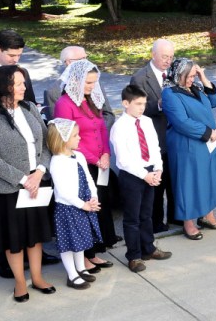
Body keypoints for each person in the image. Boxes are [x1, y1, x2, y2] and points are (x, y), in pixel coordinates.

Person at [0, 65, 55, 302]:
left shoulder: (30, 108)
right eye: (19, 83)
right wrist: (24, 179)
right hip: (9, 189)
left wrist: (39, 172)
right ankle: (20, 283)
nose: (24, 87)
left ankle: (37, 277)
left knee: (35, 235)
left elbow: (46, 146)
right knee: (14, 239)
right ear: (5, 86)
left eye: (23, 82)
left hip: (36, 182)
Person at [53, 59, 117, 271]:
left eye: (94, 82)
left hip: (100, 162)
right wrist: (94, 158)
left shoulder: (90, 100)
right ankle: (85, 256)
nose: (92, 87)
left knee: (98, 207)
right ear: (76, 81)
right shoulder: (64, 104)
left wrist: (106, 153)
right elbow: (67, 138)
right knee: (83, 211)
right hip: (81, 163)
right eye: (88, 83)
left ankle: (94, 251)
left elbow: (101, 129)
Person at [162, 58, 216, 240]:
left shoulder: (196, 88)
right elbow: (181, 122)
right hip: (187, 146)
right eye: (190, 76)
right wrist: (207, 132)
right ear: (180, 75)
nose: (192, 79)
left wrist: (203, 76)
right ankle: (188, 222)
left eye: (194, 75)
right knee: (189, 183)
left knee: (208, 179)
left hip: (207, 143)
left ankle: (207, 215)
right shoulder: (170, 93)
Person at [111, 85, 172, 271]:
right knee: (132, 217)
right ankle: (134, 255)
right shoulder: (119, 127)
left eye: (144, 104)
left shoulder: (146, 121)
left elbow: (154, 146)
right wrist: (145, 175)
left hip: (150, 171)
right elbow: (123, 159)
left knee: (147, 214)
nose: (142, 107)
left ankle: (148, 247)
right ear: (125, 103)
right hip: (132, 175)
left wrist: (158, 169)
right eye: (138, 104)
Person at [130, 39, 180, 233]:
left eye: (171, 57)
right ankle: (157, 223)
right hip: (155, 138)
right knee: (158, 184)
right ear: (153, 55)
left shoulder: (174, 73)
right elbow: (137, 109)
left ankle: (177, 217)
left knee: (175, 180)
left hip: (175, 135)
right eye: (164, 57)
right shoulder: (140, 78)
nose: (168, 61)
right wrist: (160, 104)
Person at [47, 118, 101, 289]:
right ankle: (71, 275)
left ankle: (80, 268)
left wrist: (93, 197)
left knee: (81, 239)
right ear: (62, 139)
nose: (79, 138)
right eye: (75, 136)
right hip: (68, 208)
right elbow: (63, 191)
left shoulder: (79, 156)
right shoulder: (57, 162)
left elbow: (88, 178)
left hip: (83, 203)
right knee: (69, 242)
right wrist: (82, 204)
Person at [44, 46, 115, 131]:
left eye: (86, 58)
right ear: (69, 62)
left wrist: (99, 132)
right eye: (81, 59)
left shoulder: (94, 82)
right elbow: (59, 129)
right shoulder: (54, 92)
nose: (87, 62)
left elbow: (108, 114)